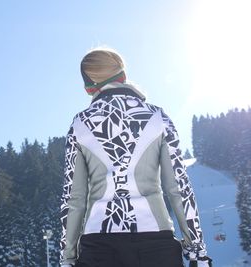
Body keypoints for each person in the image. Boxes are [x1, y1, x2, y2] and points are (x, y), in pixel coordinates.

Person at [60, 47, 212, 267]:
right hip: (155, 244)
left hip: (99, 246)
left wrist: (67, 259)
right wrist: (197, 252)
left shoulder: (80, 124)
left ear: (90, 86)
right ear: (123, 76)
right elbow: (178, 187)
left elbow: (73, 199)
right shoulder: (158, 117)